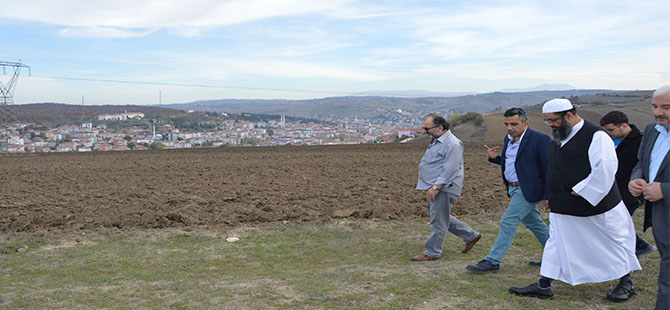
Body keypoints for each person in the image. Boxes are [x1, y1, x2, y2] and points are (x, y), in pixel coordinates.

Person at [509, 98, 641, 302]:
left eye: (553, 120)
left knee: (611, 242)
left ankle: (626, 283)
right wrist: (550, 196)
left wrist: (583, 190)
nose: (550, 125)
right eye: (547, 121)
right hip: (563, 204)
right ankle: (544, 285)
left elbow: (605, 168)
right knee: (557, 243)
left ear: (569, 115)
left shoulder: (597, 136)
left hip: (597, 206)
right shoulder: (560, 135)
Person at [466, 108, 550, 273]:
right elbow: (515, 163)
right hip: (512, 188)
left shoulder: (540, 140)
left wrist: (548, 195)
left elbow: (548, 169)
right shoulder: (509, 139)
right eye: (506, 124)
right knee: (534, 223)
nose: (510, 128)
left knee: (508, 221)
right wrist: (495, 159)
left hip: (527, 189)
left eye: (514, 124)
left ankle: (492, 261)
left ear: (525, 123)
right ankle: (555, 257)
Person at [411, 113, 481, 261]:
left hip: (444, 187)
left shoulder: (453, 144)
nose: (425, 131)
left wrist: (436, 187)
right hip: (437, 185)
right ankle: (471, 236)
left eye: (427, 128)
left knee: (438, 221)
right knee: (440, 216)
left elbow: (450, 169)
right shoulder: (437, 140)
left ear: (440, 127)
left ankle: (432, 252)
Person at [629, 85, 670, 310]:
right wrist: (635, 180)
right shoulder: (652, 130)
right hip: (659, 215)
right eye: (655, 106)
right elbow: (640, 163)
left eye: (666, 107)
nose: (658, 112)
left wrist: (664, 189)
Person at [600, 111, 656, 257]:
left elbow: (643, 165)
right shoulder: (612, 140)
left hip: (631, 192)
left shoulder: (641, 141)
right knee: (617, 223)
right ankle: (639, 246)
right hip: (614, 190)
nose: (609, 133)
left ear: (624, 126)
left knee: (619, 224)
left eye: (611, 130)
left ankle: (638, 247)